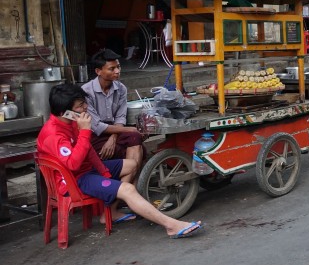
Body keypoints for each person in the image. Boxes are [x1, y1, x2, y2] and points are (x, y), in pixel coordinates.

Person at [36, 84, 202, 238]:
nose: (85, 107)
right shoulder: (54, 134)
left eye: (84, 103)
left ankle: (112, 211)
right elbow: (73, 164)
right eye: (80, 106)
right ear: (64, 112)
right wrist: (86, 131)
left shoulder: (72, 121)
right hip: (74, 180)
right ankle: (171, 225)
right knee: (128, 189)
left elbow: (89, 150)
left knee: (131, 165)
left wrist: (104, 172)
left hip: (86, 171)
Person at [82, 52, 144, 173]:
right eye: (112, 69)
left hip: (115, 130)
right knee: (136, 146)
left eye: (118, 67)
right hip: (95, 134)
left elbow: (120, 117)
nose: (117, 71)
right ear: (98, 71)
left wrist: (113, 137)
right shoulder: (86, 91)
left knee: (135, 137)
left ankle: (128, 186)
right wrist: (129, 129)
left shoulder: (121, 88)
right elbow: (96, 126)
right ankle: (125, 185)